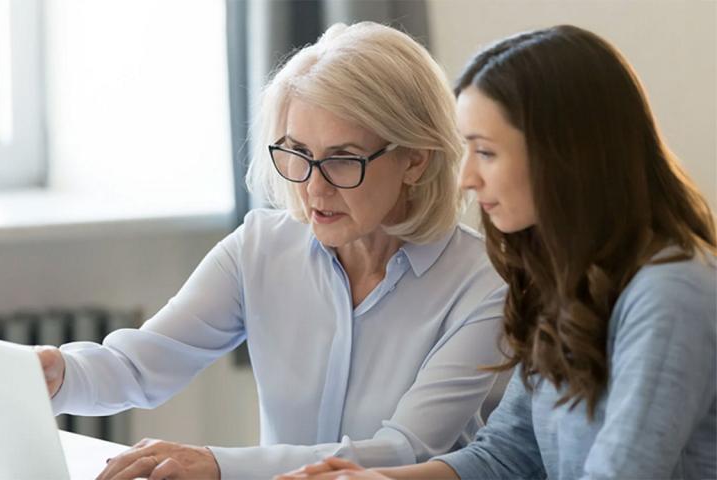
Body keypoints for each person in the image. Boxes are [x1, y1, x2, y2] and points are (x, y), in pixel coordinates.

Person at [35, 21, 507, 480]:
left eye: (342, 160)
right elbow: (139, 365)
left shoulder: (484, 285)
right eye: (298, 153)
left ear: (415, 159)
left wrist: (219, 466)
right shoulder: (259, 248)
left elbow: (405, 450)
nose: (314, 189)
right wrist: (61, 373)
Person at [279, 24, 717, 480]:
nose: (466, 177)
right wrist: (373, 478)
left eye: (485, 152)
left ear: (564, 156)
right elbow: (507, 455)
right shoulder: (568, 283)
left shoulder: (671, 293)